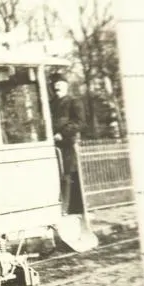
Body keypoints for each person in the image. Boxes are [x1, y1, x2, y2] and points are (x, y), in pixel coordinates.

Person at [50, 72, 85, 214]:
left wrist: (62, 134)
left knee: (67, 176)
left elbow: (80, 122)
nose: (57, 87)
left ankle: (68, 209)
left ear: (66, 86)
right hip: (52, 145)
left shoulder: (73, 102)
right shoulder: (51, 104)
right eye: (55, 84)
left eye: (60, 84)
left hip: (66, 146)